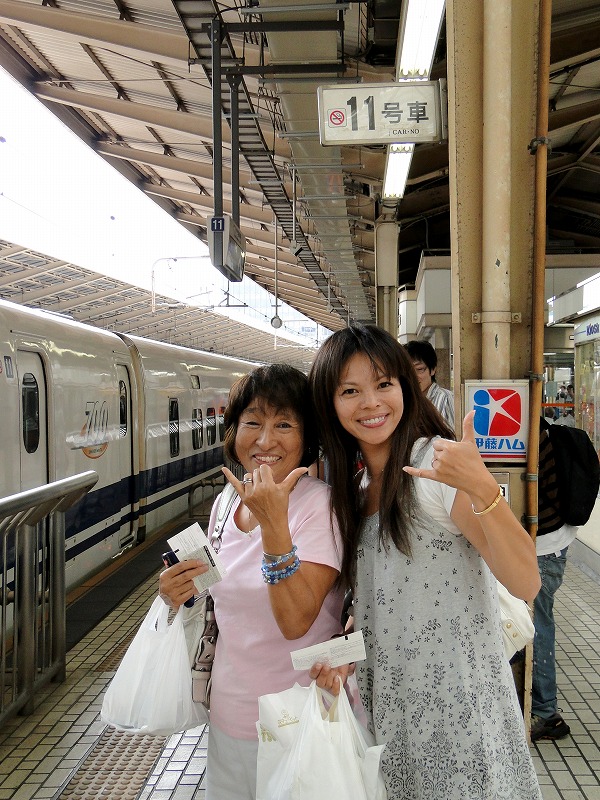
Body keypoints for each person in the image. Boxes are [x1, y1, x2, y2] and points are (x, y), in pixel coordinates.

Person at [308, 324, 542, 800]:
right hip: (393, 716)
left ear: (406, 388)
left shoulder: (432, 469)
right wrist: (345, 651)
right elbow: (383, 596)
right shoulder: (356, 492)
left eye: (383, 384)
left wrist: (482, 487)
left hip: (461, 717)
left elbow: (526, 581)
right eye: (350, 391)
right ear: (329, 405)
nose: (370, 403)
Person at [159, 364, 345, 800]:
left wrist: (274, 523)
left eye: (284, 425)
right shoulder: (227, 502)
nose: (265, 441)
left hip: (300, 715)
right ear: (233, 431)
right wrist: (175, 591)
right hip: (229, 713)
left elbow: (295, 621)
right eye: (253, 423)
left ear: (307, 438)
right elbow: (217, 596)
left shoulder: (320, 507)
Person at [531, 420, 576, 741]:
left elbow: (541, 491)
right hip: (548, 544)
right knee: (536, 622)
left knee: (538, 625)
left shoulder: (534, 438)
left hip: (544, 547)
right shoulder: (537, 432)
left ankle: (548, 713)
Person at [405, 339, 454, 428]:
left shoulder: (446, 398)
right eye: (408, 370)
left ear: (433, 369)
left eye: (419, 369)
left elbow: (455, 435)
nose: (413, 376)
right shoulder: (405, 400)